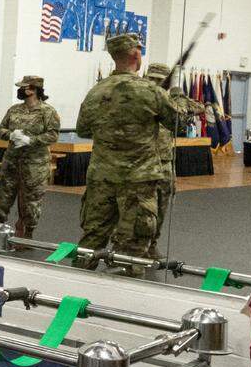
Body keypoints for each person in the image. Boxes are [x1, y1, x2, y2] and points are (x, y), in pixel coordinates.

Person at [75, 34, 179, 274]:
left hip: (101, 177)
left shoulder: (96, 91)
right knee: (131, 246)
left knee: (91, 239)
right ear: (136, 55)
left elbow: (82, 130)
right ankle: (122, 290)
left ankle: (74, 284)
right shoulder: (150, 91)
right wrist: (175, 97)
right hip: (137, 180)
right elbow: (178, 125)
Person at [142, 63, 204, 259]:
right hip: (141, 162)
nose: (155, 83)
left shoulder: (170, 102)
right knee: (136, 209)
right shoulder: (138, 98)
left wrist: (178, 95)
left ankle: (151, 245)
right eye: (152, 79)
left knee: (161, 206)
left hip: (164, 163)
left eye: (159, 80)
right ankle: (130, 247)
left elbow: (198, 107)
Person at [0, 75, 60, 240]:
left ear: (33, 90)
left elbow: (53, 135)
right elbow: (1, 129)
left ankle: (26, 233)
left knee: (31, 201)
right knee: (3, 197)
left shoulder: (48, 111)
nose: (20, 90)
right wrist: (10, 135)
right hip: (12, 162)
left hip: (35, 165)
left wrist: (31, 140)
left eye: (24, 87)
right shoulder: (14, 110)